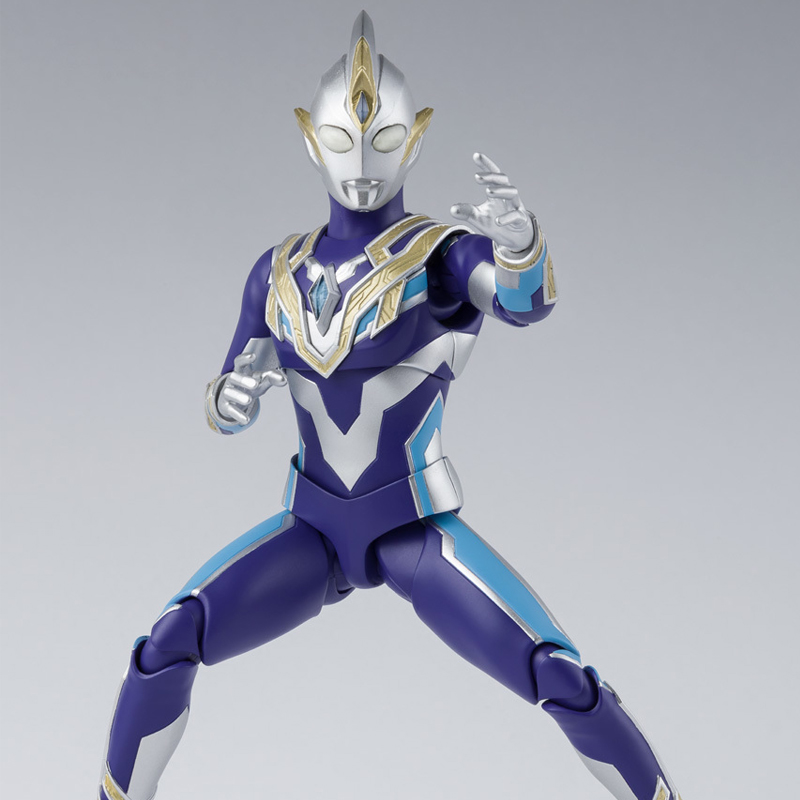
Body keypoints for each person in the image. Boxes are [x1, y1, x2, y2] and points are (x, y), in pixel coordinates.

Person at [99, 13, 682, 800]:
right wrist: (227, 398)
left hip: (412, 528)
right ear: (311, 140)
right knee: (167, 643)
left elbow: (525, 302)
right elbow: (229, 393)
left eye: (384, 141)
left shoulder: (442, 258)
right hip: (311, 529)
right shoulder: (277, 272)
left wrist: (520, 245)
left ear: (416, 139)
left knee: (559, 676)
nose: (363, 165)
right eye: (344, 141)